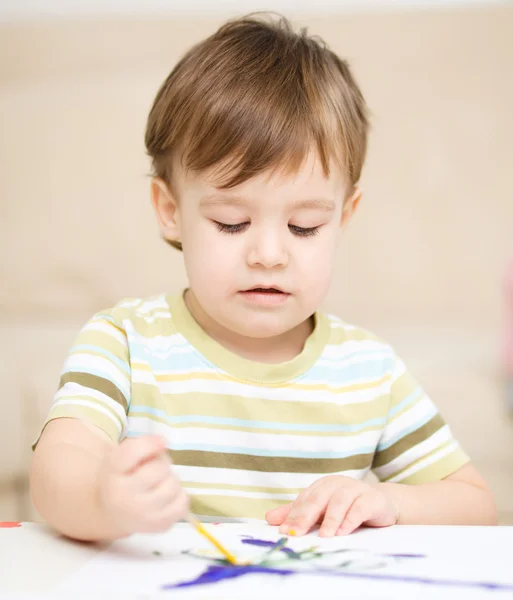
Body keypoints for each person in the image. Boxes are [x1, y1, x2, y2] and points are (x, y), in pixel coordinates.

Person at [30, 14, 496, 543]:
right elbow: (56, 473)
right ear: (169, 209)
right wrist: (102, 500)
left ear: (343, 217)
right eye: (232, 222)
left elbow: (475, 503)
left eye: (304, 226)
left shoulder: (370, 372)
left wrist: (389, 499)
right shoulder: (125, 344)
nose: (269, 255)